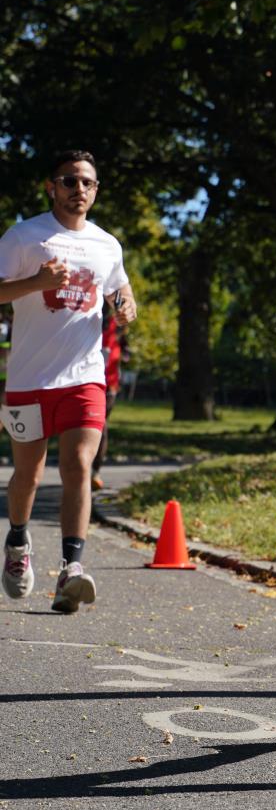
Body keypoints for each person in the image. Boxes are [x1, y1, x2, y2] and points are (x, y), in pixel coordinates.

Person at [0, 151, 137, 613]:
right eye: (69, 181)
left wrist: (126, 305)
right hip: (29, 378)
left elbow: (120, 287)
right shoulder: (24, 236)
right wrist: (37, 281)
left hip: (84, 377)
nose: (79, 189)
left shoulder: (107, 244)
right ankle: (18, 542)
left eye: (87, 183)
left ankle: (70, 571)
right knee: (28, 475)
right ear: (51, 187)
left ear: (96, 191)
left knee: (79, 464)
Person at [92, 302, 129, 489]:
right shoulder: (86, 319)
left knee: (101, 424)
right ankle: (83, 467)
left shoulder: (117, 324)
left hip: (109, 384)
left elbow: (125, 346)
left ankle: (95, 471)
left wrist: (125, 355)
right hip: (87, 381)